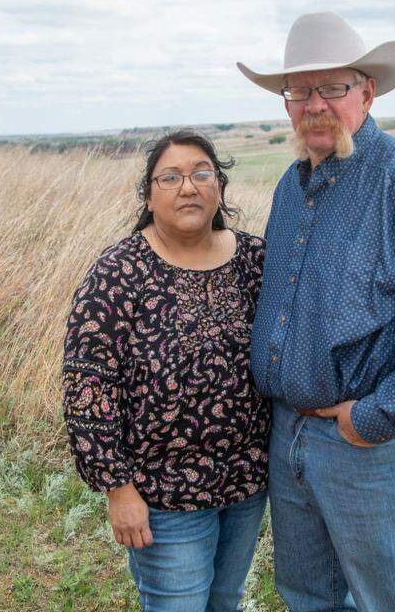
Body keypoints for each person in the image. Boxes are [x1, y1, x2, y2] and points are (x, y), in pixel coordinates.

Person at [236, 12, 395, 610]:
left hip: (370, 447)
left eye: (333, 88)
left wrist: (378, 415)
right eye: (299, 91)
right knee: (308, 597)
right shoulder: (291, 185)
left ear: (367, 92)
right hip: (291, 435)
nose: (314, 105)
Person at [62, 130, 269, 611]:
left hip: (245, 483)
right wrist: (118, 489)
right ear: (149, 195)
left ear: (219, 186)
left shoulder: (255, 261)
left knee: (225, 603)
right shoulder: (118, 273)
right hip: (163, 493)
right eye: (170, 177)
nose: (188, 187)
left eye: (201, 173)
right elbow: (87, 388)